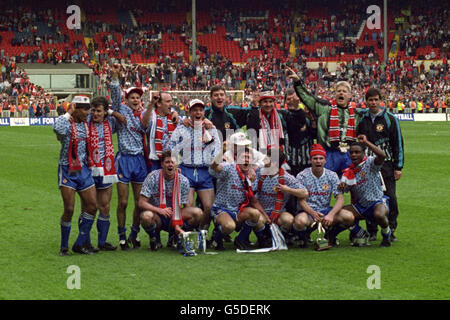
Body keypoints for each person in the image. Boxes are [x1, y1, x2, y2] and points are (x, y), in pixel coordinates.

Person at [287, 67, 361, 176]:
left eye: (344, 91)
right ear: (334, 94)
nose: (341, 93)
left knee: (352, 187)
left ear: (349, 95)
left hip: (348, 154)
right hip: (329, 153)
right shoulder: (324, 108)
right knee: (325, 187)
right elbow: (308, 98)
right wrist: (298, 82)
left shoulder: (357, 114)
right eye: (338, 91)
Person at [357, 87, 404, 242]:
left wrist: (398, 167)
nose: (373, 102)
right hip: (368, 166)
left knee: (391, 197)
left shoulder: (390, 119)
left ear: (380, 100)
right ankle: (372, 230)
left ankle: (391, 228)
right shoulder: (362, 119)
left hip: (386, 165)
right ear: (366, 101)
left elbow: (398, 143)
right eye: (370, 100)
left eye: (376, 99)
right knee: (369, 197)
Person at [109, 64, 148, 250]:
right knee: (123, 202)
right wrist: (115, 78)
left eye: (137, 97)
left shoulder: (145, 115)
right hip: (124, 159)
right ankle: (121, 235)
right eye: (132, 97)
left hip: (139, 160)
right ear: (127, 99)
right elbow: (114, 100)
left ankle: (135, 232)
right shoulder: (122, 110)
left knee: (140, 203)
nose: (135, 99)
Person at [53, 95, 97, 255]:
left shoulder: (86, 122)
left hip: (83, 169)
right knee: (69, 209)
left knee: (92, 206)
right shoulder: (67, 124)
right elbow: (57, 129)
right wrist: (68, 112)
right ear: (75, 109)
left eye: (88, 109)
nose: (88, 112)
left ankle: (80, 242)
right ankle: (64, 246)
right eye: (84, 109)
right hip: (68, 168)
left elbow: (102, 110)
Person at [169, 99, 221, 234]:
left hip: (205, 171)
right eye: (194, 110)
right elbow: (172, 147)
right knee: (188, 206)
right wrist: (175, 164)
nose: (198, 112)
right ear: (189, 112)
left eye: (200, 110)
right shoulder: (181, 128)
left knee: (209, 207)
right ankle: (186, 233)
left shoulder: (211, 128)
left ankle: (202, 233)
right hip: (187, 170)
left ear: (204, 112)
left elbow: (217, 148)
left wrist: (213, 161)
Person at [138, 150, 203, 250]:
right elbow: (141, 203)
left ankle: (176, 236)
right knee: (146, 216)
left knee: (197, 213)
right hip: (158, 214)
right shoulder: (152, 177)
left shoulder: (183, 181)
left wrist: (179, 223)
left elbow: (187, 206)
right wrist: (159, 210)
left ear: (177, 164)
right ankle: (154, 238)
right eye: (167, 162)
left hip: (175, 214)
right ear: (162, 164)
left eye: (173, 162)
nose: (170, 165)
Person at [86, 96, 126, 251]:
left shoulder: (110, 122)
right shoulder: (86, 121)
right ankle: (86, 241)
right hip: (89, 168)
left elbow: (120, 114)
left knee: (105, 206)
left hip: (107, 169)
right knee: (89, 206)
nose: (95, 114)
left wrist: (111, 113)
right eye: (94, 110)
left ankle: (102, 242)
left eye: (99, 111)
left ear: (105, 112)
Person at [294, 144, 355, 248]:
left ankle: (331, 235)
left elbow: (340, 198)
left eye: (321, 158)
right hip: (308, 211)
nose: (318, 161)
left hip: (325, 210)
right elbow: (301, 200)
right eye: (315, 158)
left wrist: (331, 214)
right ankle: (304, 236)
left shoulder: (332, 175)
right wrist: (313, 213)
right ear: (310, 160)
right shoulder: (302, 176)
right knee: (300, 222)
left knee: (349, 217)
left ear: (325, 160)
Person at [338, 135, 392, 247]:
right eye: (352, 152)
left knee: (379, 214)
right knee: (340, 214)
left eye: (357, 152)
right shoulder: (349, 170)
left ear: (363, 152)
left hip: (377, 201)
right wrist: (342, 186)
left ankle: (386, 233)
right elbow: (345, 189)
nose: (354, 155)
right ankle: (360, 233)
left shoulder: (370, 163)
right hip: (361, 206)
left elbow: (382, 155)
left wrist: (366, 142)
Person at [208, 148, 266, 250]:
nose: (246, 160)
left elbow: (253, 200)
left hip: (238, 210)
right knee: (229, 226)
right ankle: (216, 238)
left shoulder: (252, 176)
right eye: (244, 157)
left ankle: (240, 240)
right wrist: (222, 151)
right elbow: (213, 166)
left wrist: (265, 216)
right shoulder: (229, 168)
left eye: (249, 158)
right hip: (222, 208)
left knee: (256, 214)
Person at [254, 149, 309, 244]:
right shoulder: (259, 173)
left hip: (278, 212)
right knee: (256, 219)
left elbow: (304, 193)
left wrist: (288, 190)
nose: (263, 160)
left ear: (274, 162)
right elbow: (253, 195)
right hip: (261, 211)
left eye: (266, 158)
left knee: (288, 220)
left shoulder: (287, 178)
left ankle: (279, 238)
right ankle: (262, 239)